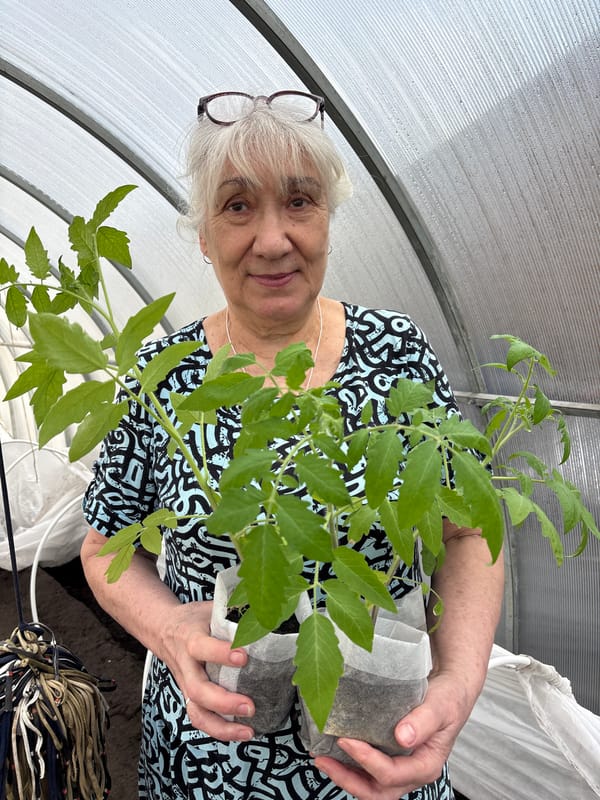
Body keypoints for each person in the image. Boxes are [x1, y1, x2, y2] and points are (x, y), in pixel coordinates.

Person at [80, 90, 504, 800]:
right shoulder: (164, 380)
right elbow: (103, 549)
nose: (272, 239)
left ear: (329, 219)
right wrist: (171, 629)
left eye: (299, 201)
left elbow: (468, 534)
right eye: (239, 206)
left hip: (378, 760)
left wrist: (458, 685)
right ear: (205, 235)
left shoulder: (398, 354)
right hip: (211, 765)